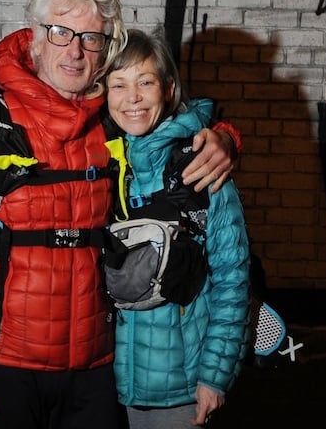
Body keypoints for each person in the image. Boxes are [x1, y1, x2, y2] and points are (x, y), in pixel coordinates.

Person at [0, 0, 237, 428]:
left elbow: (178, 126)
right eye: (61, 32)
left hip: (96, 370)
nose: (75, 51)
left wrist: (225, 140)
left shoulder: (112, 122)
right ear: (35, 40)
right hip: (5, 365)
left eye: (91, 38)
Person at [103, 29, 251, 428]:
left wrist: (214, 377)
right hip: (101, 384)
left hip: (182, 389)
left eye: (145, 82)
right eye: (118, 84)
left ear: (168, 89)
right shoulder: (101, 163)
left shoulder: (200, 168)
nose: (132, 97)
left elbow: (233, 279)